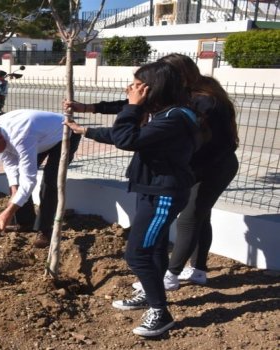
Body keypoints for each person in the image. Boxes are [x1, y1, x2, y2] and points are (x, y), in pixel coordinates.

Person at [66, 54, 239, 290]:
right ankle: (198, 270)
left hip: (212, 166)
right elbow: (132, 105)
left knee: (191, 216)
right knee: (199, 215)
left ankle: (171, 275)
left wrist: (186, 171)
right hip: (191, 165)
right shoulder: (179, 99)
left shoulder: (201, 102)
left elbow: (131, 132)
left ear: (178, 76)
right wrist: (91, 108)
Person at [65, 61, 199, 337]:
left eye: (138, 85)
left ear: (154, 88)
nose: (131, 89)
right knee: (156, 247)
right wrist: (86, 130)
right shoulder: (163, 113)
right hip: (151, 189)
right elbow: (129, 135)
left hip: (164, 194)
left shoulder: (175, 117)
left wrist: (133, 105)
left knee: (137, 254)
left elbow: (127, 139)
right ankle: (151, 296)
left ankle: (160, 312)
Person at [0, 109, 80, 248]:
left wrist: (8, 211)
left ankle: (45, 230)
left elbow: (29, 181)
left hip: (64, 133)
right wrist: (14, 190)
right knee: (18, 182)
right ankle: (25, 222)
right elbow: (10, 164)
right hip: (40, 138)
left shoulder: (21, 136)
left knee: (50, 180)